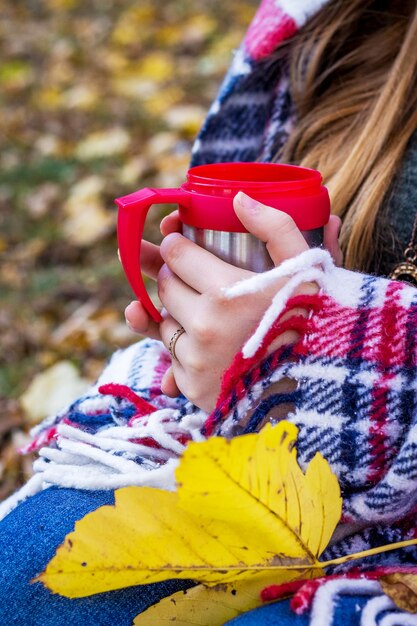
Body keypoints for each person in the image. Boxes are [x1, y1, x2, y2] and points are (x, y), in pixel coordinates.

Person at [2, 0, 417, 624]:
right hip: (267, 467)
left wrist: (325, 358)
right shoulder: (345, 39)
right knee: (27, 570)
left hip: (386, 540)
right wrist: (214, 340)